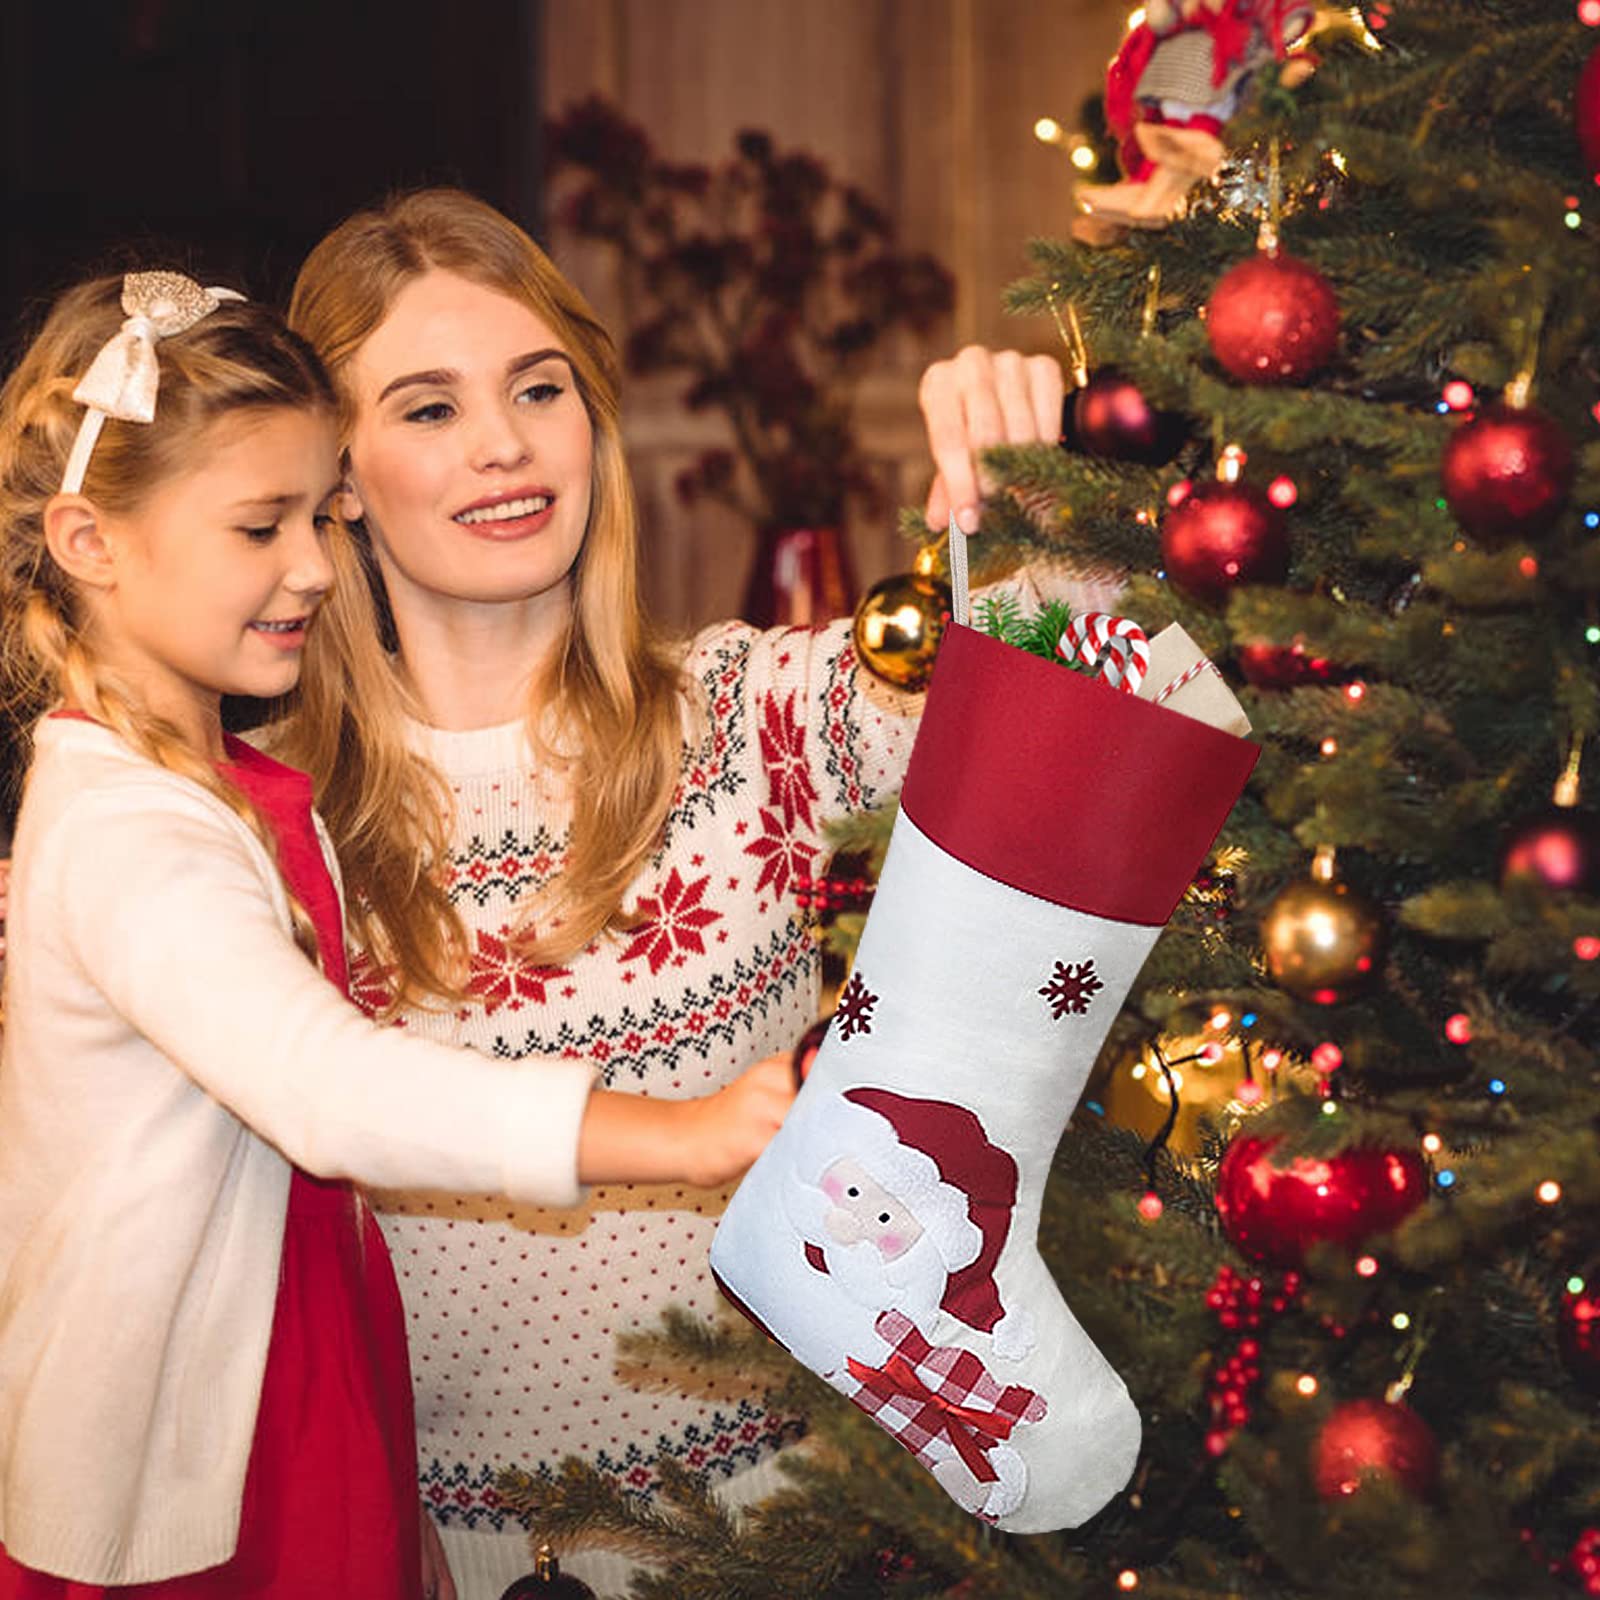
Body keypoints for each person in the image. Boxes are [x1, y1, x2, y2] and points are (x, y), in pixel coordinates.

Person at [272, 187, 1096, 1599]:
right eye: (426, 408)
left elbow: (1048, 755)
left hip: (783, 1538)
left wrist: (1021, 509)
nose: (504, 444)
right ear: (334, 477)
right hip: (419, 1559)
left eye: (540, 386)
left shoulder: (747, 714)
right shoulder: (271, 825)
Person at [0, 271, 792, 1600]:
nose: (315, 564)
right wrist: (685, 1132)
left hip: (308, 1408)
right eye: (260, 526)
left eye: (320, 516)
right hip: (204, 1486)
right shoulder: (135, 836)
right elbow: (333, 1091)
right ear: (91, 542)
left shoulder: (211, 792)